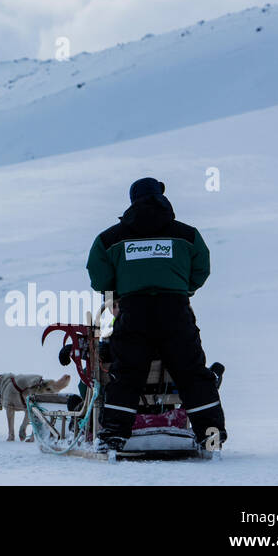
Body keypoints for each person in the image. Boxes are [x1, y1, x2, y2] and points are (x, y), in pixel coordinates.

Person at [85, 177, 227, 451]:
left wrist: (116, 292)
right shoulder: (187, 235)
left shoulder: (110, 238)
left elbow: (99, 277)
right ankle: (211, 436)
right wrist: (183, 289)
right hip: (175, 311)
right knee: (192, 373)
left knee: (126, 374)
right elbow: (202, 269)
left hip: (133, 311)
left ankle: (113, 436)